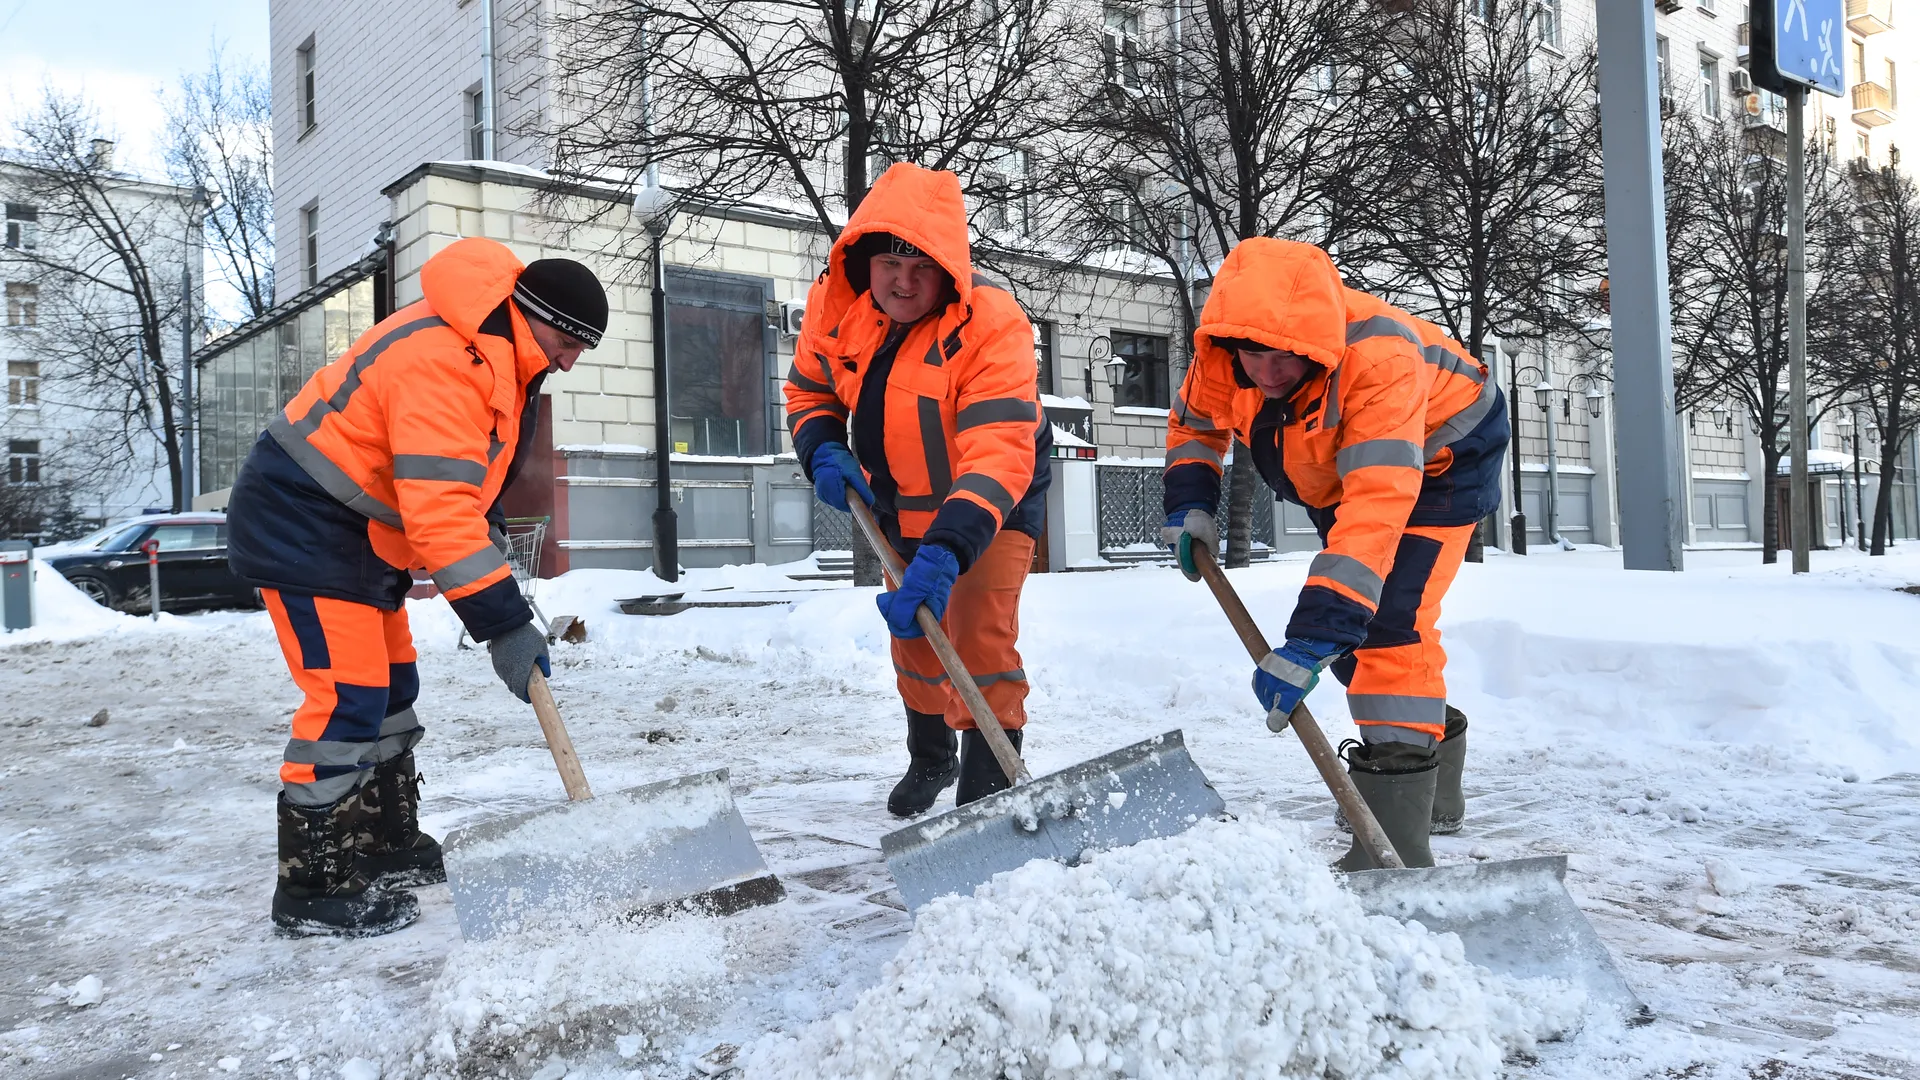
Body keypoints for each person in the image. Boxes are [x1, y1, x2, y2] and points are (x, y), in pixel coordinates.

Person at [225, 237, 608, 936]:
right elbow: (437, 512)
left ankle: (381, 843)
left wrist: (488, 545)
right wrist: (503, 624)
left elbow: (459, 487)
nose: (570, 358)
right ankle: (313, 882)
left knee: (393, 688)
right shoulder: (448, 359)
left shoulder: (496, 357)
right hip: (305, 523)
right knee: (348, 695)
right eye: (568, 339)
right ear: (530, 313)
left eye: (583, 347)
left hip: (359, 532)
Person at [1160, 237, 1508, 870]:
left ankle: (1397, 841)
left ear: (1315, 339)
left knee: (1385, 626)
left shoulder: (1378, 358)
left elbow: (1377, 504)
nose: (1266, 372)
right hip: (1333, 467)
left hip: (1440, 456)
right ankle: (1426, 772)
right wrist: (1192, 504)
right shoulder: (1219, 355)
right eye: (1252, 355)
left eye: (1285, 358)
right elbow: (1195, 424)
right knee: (1359, 631)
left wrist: (1312, 636)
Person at [785, 162, 1051, 817]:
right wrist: (821, 444)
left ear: (948, 269)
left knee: (978, 632)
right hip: (895, 501)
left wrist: (950, 546)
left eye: (922, 267)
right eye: (890, 264)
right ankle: (931, 754)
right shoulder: (836, 305)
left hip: (989, 503)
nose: (904, 282)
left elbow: (997, 451)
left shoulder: (991, 323)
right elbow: (809, 387)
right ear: (864, 259)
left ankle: (988, 790)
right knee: (912, 634)